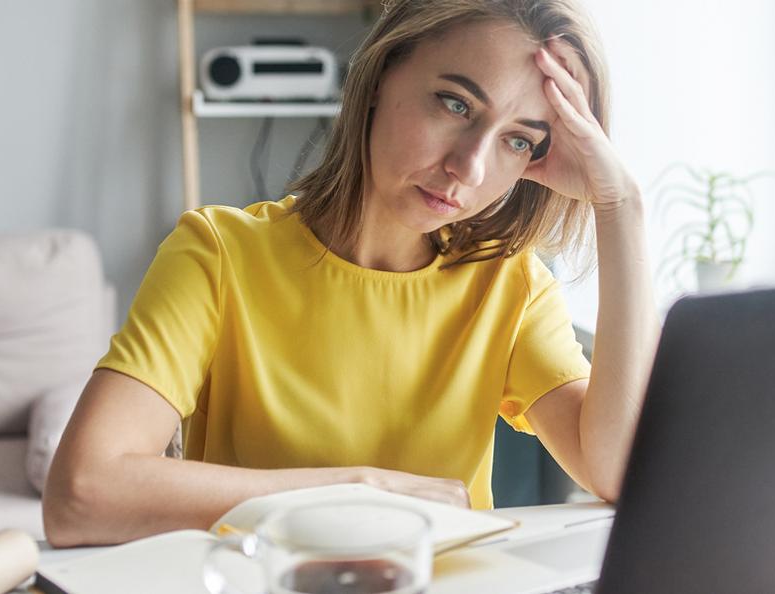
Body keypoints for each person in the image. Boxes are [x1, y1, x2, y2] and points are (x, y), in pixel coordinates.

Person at [43, 0, 657, 548]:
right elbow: (82, 493)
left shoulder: (510, 286)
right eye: (456, 104)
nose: (469, 167)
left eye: (518, 141)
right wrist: (362, 492)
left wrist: (621, 207)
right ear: (380, 75)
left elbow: (616, 473)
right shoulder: (219, 254)